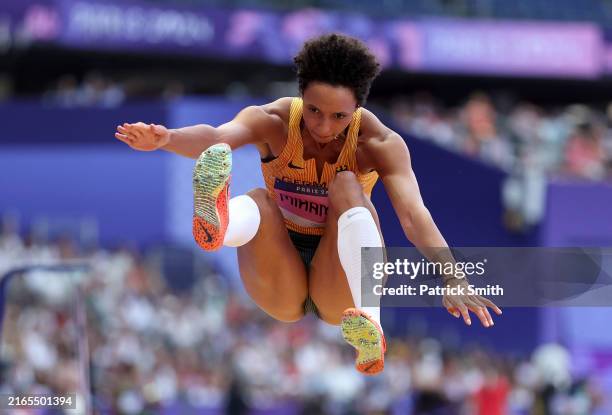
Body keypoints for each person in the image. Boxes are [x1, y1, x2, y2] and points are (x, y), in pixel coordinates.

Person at [115, 33, 502, 376]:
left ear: (358, 110)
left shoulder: (380, 143)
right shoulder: (274, 120)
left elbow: (414, 215)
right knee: (260, 200)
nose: (322, 127)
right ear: (301, 96)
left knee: (349, 187)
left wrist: (453, 277)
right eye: (314, 110)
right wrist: (166, 138)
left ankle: (372, 325)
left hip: (342, 278)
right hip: (279, 271)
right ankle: (220, 223)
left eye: (339, 117)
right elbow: (217, 137)